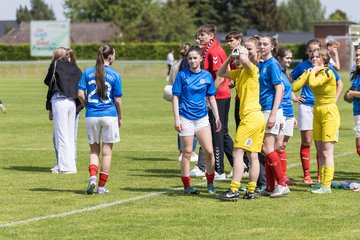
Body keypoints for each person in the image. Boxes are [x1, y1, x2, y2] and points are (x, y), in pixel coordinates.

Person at [291, 39, 343, 184]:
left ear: (324, 59)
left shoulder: (327, 72)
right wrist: (306, 74)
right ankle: (319, 182)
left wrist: (311, 73)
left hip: (328, 112)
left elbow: (314, 83)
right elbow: (294, 87)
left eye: (317, 57)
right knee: (318, 148)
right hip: (315, 110)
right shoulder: (308, 69)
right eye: (312, 57)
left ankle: (326, 184)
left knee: (326, 151)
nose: (314, 59)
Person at [217, 44, 265, 201]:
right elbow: (221, 72)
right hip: (255, 118)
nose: (237, 60)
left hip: (251, 118)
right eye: (235, 58)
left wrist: (241, 52)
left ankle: (234, 189)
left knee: (238, 153)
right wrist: (230, 57)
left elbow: (246, 60)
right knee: (253, 156)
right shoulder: (239, 73)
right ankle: (251, 191)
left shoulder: (253, 70)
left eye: (239, 58)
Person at [172, 46, 221, 194]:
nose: (192, 61)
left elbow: (211, 97)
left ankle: (210, 182)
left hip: (202, 118)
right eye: (190, 58)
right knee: (187, 152)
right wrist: (177, 119)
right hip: (185, 117)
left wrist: (217, 117)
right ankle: (187, 185)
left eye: (195, 58)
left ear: (201, 59)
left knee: (210, 152)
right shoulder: (182, 75)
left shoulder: (206, 76)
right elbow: (175, 97)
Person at [190, 24, 234, 181]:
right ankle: (242, 165)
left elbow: (220, 77)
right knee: (223, 134)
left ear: (210, 34)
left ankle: (219, 171)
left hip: (219, 96)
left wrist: (209, 95)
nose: (200, 37)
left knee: (217, 133)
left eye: (202, 34)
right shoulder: (210, 48)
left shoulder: (214, 50)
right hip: (221, 95)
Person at [78, 45, 123, 195]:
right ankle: (101, 187)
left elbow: (80, 93)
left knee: (93, 151)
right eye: (114, 55)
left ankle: (92, 178)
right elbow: (118, 100)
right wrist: (120, 117)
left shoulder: (87, 71)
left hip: (91, 115)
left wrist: (87, 106)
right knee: (107, 153)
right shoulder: (115, 74)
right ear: (110, 57)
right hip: (109, 115)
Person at [257, 34, 290, 198]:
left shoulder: (272, 65)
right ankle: (270, 186)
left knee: (268, 148)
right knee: (265, 149)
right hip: (264, 109)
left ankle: (282, 184)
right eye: (260, 44)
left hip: (270, 110)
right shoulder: (262, 64)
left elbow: (280, 89)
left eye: (264, 44)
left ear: (272, 47)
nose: (261, 47)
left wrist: (273, 114)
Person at [44, 47, 82, 174]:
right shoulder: (74, 67)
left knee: (61, 135)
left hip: (59, 101)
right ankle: (71, 165)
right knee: (70, 136)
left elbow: (48, 81)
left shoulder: (55, 64)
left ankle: (64, 167)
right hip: (72, 102)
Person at [168, 43, 199, 162]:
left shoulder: (175, 64)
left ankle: (182, 151)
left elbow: (170, 81)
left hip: (178, 95)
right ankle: (191, 151)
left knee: (181, 123)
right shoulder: (185, 65)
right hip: (187, 96)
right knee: (192, 124)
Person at [275, 47, 296, 186]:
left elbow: (288, 94)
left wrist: (293, 115)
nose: (289, 60)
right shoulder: (276, 73)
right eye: (287, 58)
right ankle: (278, 178)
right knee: (277, 146)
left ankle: (283, 175)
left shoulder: (286, 74)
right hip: (281, 112)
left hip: (289, 113)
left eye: (290, 58)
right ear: (280, 58)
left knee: (283, 146)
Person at [345, 45, 360, 162]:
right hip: (357, 112)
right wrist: (349, 95)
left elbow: (354, 93)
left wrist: (352, 94)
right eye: (357, 55)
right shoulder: (357, 74)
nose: (358, 58)